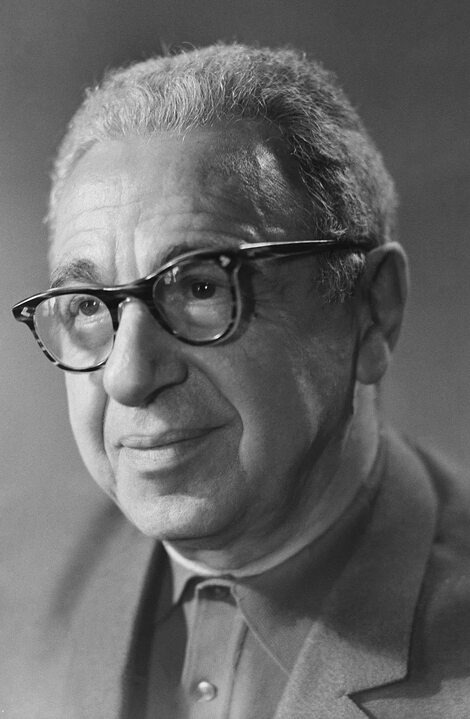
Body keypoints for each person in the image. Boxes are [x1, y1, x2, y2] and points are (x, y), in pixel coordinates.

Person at [7, 42, 470, 718]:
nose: (129, 377)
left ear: (372, 310)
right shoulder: (17, 590)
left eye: (200, 286)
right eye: (87, 307)